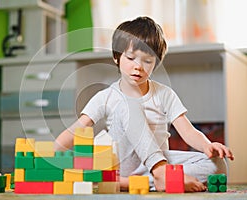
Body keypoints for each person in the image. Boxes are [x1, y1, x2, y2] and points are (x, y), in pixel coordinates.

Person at [54, 16, 234, 192]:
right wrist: (48, 157)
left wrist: (207, 146)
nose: (138, 66)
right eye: (131, 58)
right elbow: (78, 129)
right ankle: (157, 176)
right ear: (117, 57)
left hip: (159, 162)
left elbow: (188, 131)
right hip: (123, 162)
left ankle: (138, 181)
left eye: (147, 61)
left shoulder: (164, 94)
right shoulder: (106, 96)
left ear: (155, 63)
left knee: (217, 166)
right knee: (128, 103)